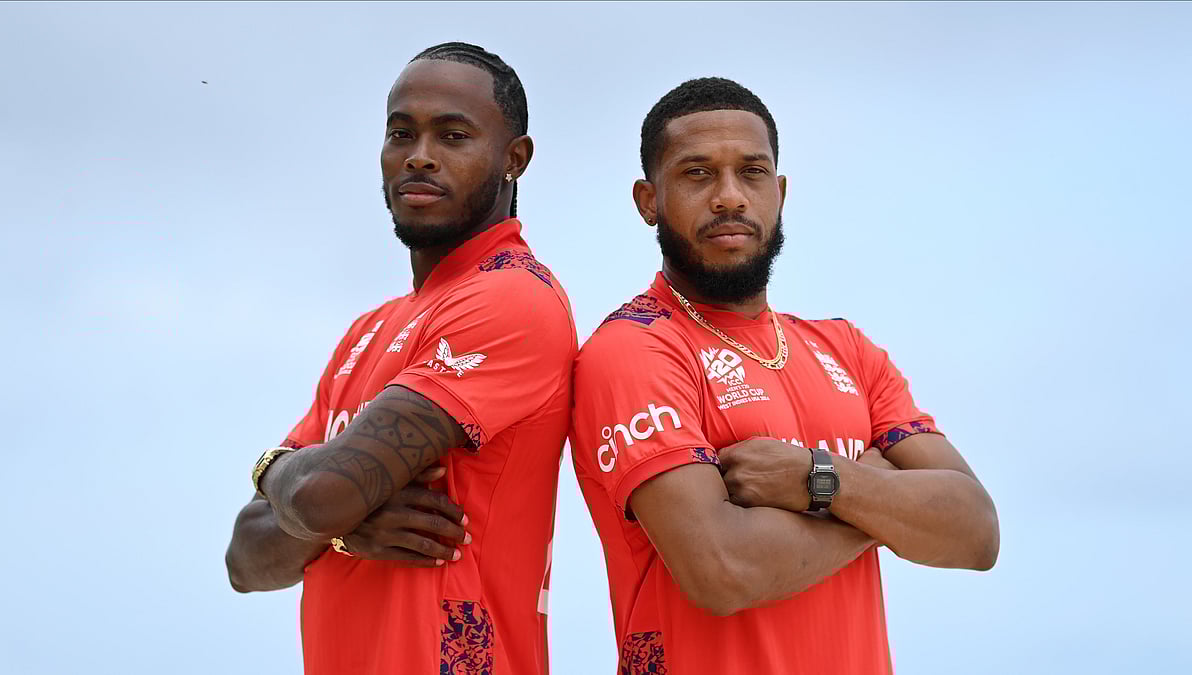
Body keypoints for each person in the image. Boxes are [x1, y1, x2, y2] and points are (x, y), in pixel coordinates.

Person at [571, 77, 1000, 674]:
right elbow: (724, 571)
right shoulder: (633, 350)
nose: (729, 197)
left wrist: (820, 481)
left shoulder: (845, 348)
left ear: (779, 191)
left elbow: (976, 532)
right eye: (697, 174)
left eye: (751, 172)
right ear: (648, 200)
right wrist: (884, 505)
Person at [225, 42, 576, 675]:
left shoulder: (512, 300)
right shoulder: (369, 330)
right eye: (400, 133)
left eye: (453, 135)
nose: (419, 155)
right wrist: (335, 524)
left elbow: (321, 495)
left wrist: (278, 474)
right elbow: (244, 561)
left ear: (514, 160)